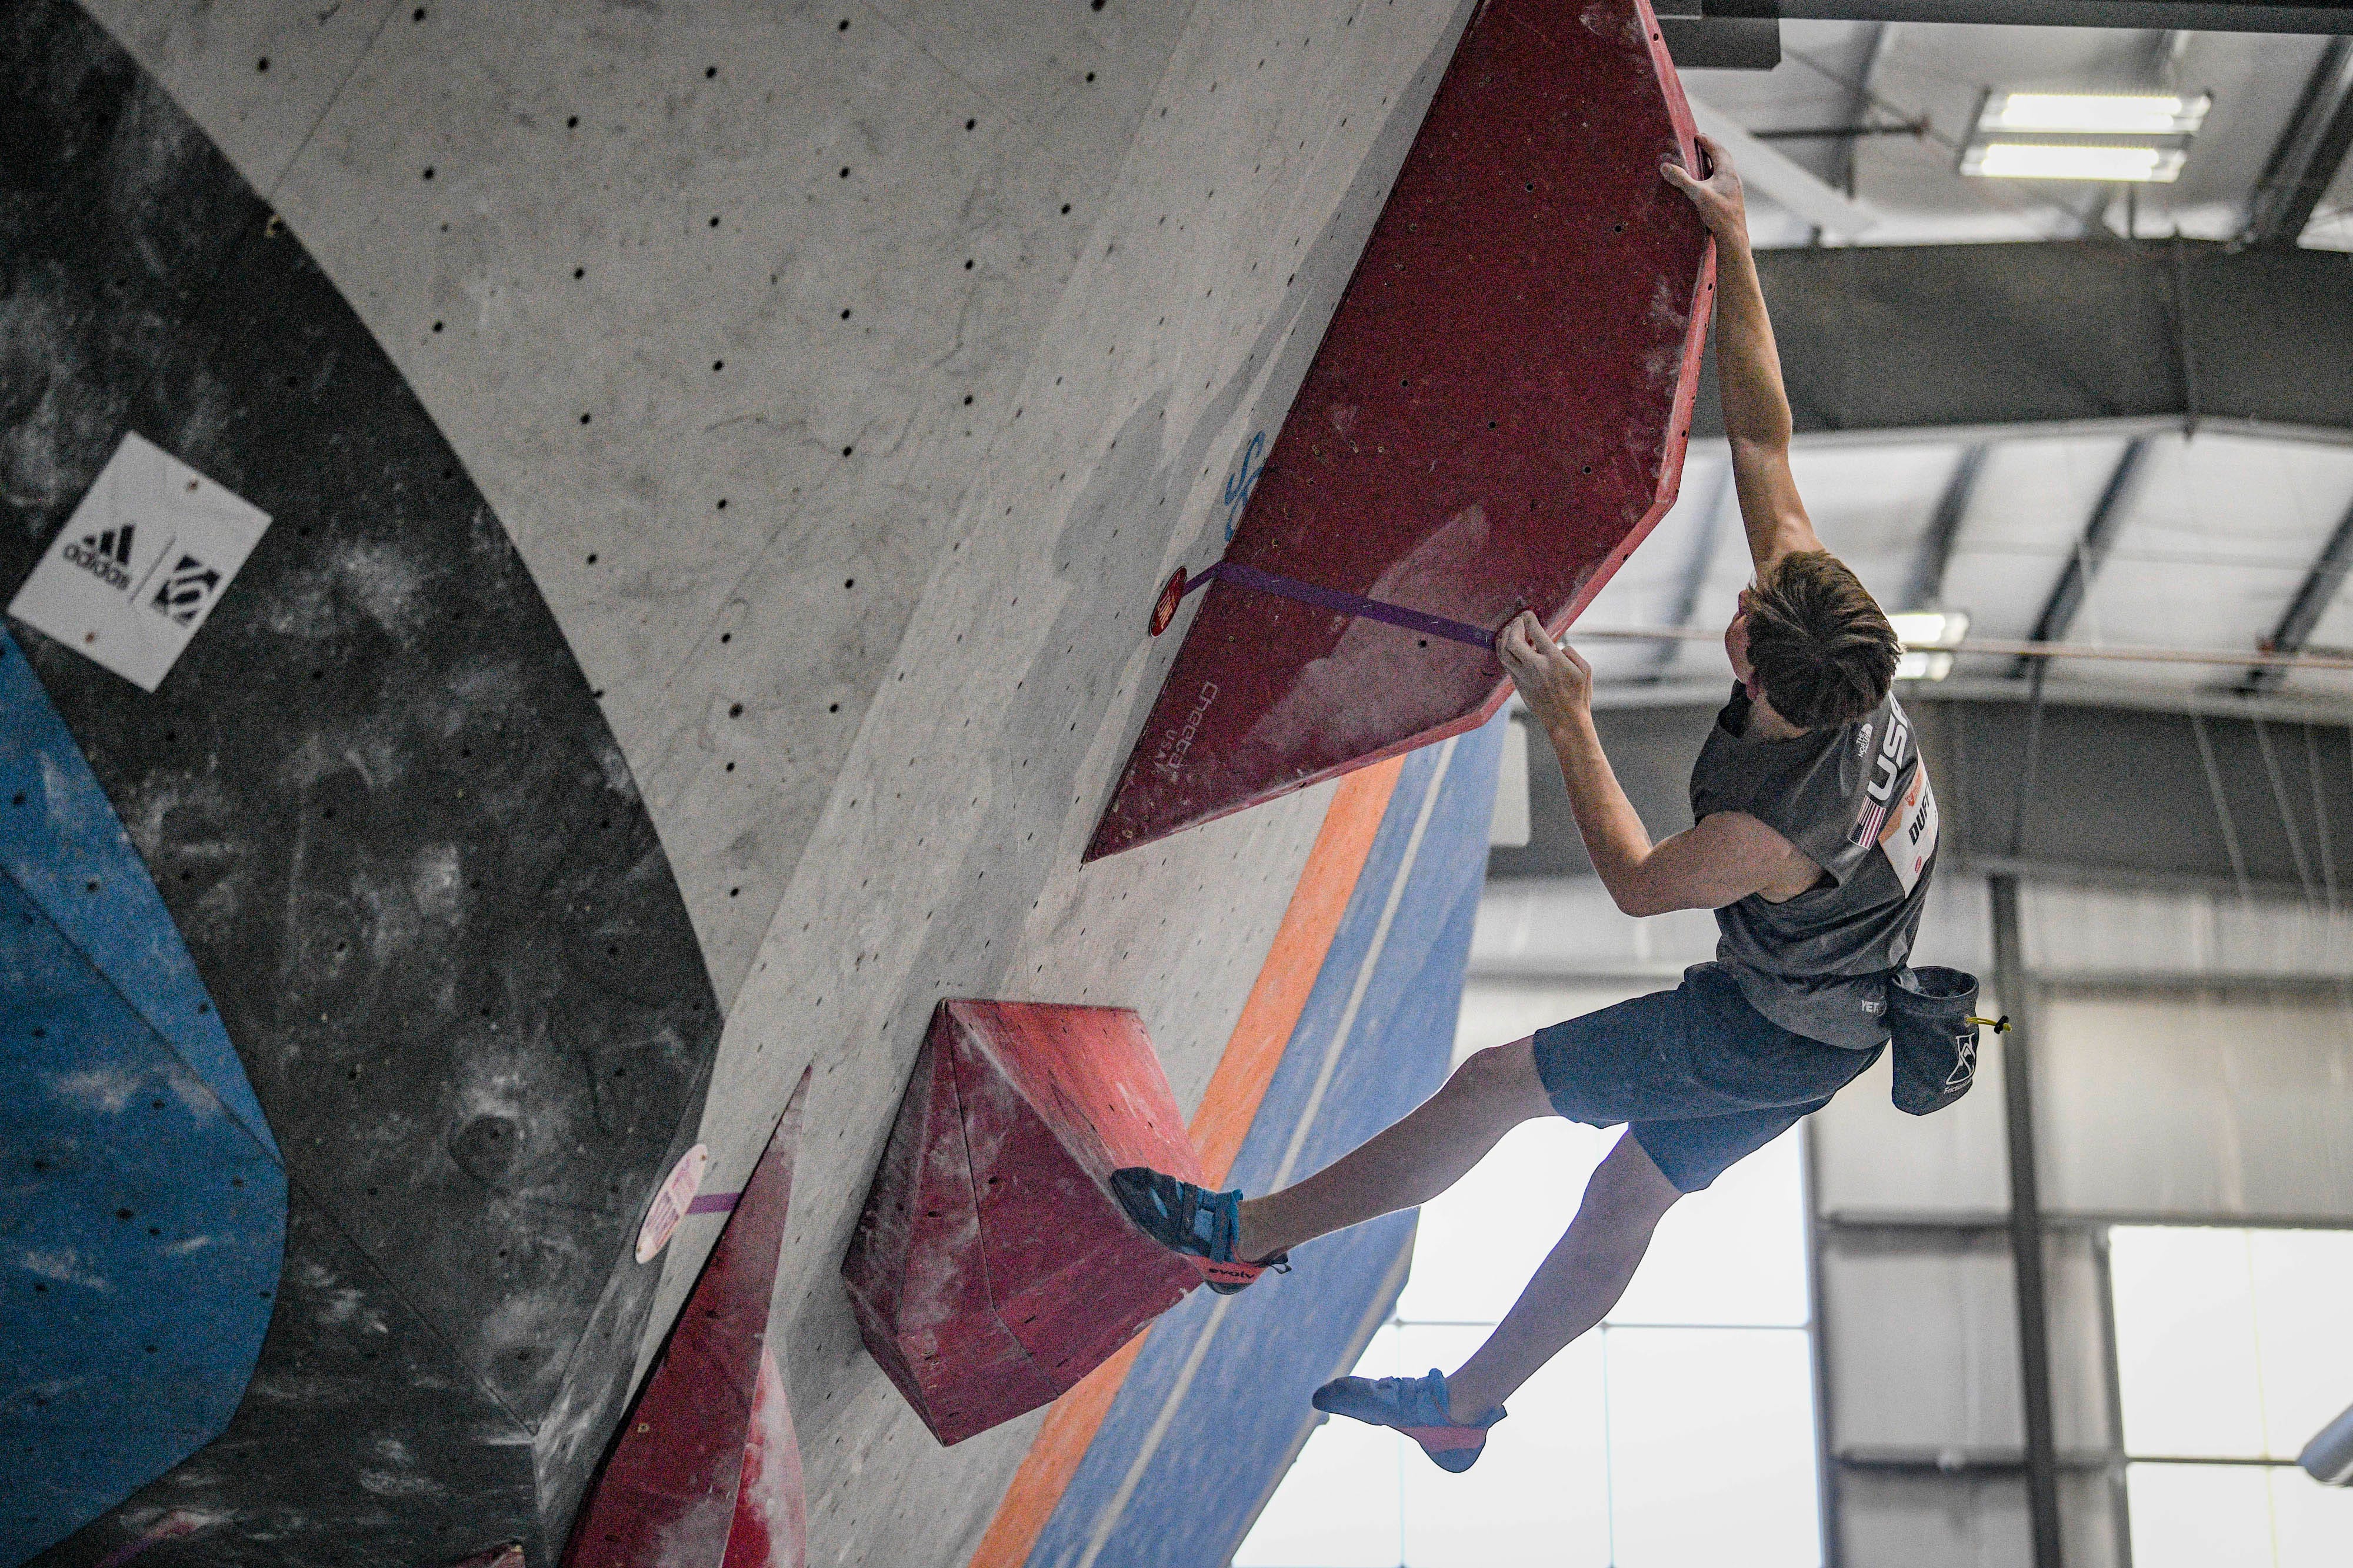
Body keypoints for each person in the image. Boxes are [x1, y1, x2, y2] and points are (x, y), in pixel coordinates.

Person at [1112, 135, 1939, 1472]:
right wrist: (1732, 246)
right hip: (1836, 1024)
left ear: (1764, 685)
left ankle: (1242, 1240)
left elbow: (1632, 878)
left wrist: (1565, 721)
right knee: (1623, 1196)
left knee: (1498, 1085)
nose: (1733, 605)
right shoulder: (1817, 624)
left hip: (1771, 1031)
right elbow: (1766, 434)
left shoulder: (1770, 828)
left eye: (1736, 626)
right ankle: (1462, 1408)